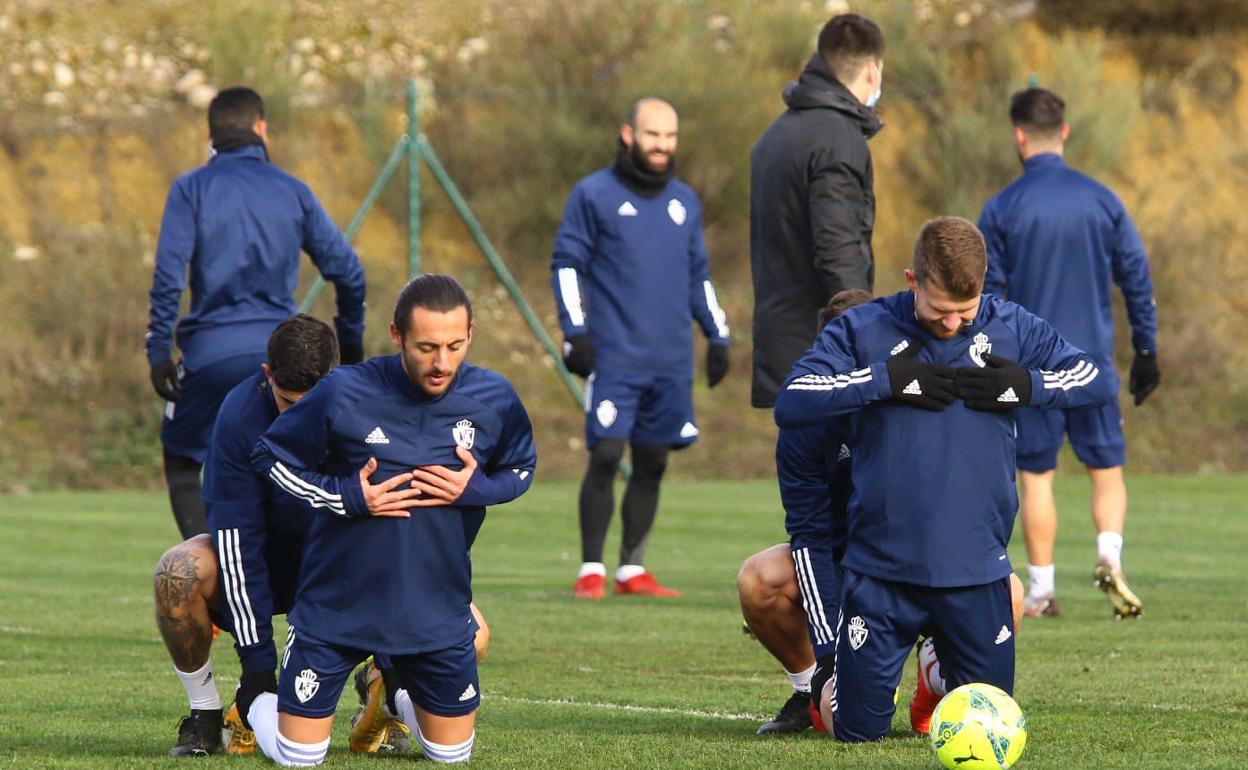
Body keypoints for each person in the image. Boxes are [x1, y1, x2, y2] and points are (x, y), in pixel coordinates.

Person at [774, 216, 1113, 742]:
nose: (953, 323)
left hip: (975, 573)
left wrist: (1028, 385)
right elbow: (794, 399)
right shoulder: (864, 330)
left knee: (990, 722)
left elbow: (1094, 378)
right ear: (912, 281)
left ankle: (935, 674)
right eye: (939, 310)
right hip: (881, 574)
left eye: (965, 311)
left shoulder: (1011, 325)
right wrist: (884, 380)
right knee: (855, 730)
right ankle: (834, 682)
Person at [246, 274, 536, 766]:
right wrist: (348, 497)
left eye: (454, 346)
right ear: (397, 335)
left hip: (435, 608)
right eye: (426, 347)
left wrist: (478, 488)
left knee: (451, 756)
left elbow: (521, 468)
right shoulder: (343, 392)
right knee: (299, 758)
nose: (442, 362)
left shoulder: (494, 397)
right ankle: (255, 703)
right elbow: (270, 457)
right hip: (336, 605)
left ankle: (396, 695)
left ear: (471, 333)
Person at [738, 289, 1026, 736]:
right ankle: (809, 686)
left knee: (1008, 592)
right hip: (852, 567)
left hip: (922, 562)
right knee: (761, 579)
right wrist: (830, 657)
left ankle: (936, 677)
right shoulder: (806, 422)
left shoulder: (927, 393)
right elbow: (810, 536)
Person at [145, 86, 367, 541]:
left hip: (210, 357)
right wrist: (349, 343)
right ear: (262, 129)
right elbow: (349, 274)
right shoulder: (293, 190)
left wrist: (158, 350)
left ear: (210, 135)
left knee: (183, 458)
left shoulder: (191, 189)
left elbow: (169, 275)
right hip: (283, 359)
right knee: (295, 460)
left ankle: (209, 578)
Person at [979, 87, 1160, 620]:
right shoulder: (1102, 200)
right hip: (1093, 366)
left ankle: (1041, 589)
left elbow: (991, 296)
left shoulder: (1003, 206)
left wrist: (990, 361)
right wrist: (1146, 348)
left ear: (1017, 136)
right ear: (1064, 132)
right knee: (1106, 470)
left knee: (1037, 477)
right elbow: (1135, 275)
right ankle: (1109, 554)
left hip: (1031, 371)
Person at [551, 97, 731, 599]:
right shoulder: (592, 195)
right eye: (654, 135)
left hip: (670, 361)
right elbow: (567, 265)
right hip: (615, 357)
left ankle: (632, 570)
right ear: (628, 134)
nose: (663, 146)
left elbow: (699, 275)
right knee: (607, 454)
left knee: (653, 461)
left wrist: (717, 335)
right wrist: (575, 331)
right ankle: (591, 568)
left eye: (670, 137)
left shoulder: (685, 202)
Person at [749, 13, 884, 409]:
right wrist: (868, 336)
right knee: (839, 469)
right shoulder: (839, 140)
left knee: (800, 470)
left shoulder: (776, 133)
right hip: (825, 351)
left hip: (781, 340)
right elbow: (838, 250)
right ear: (873, 71)